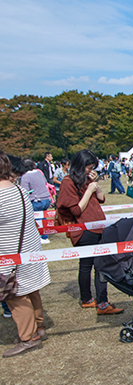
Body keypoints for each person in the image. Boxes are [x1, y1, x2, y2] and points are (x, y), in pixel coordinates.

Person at [56, 150, 123, 315]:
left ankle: (94, 300)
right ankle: (98, 302)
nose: (90, 170)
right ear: (79, 165)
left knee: (98, 265)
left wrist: (96, 185)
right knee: (90, 266)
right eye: (88, 167)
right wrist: (88, 190)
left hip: (97, 226)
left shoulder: (86, 180)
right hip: (84, 229)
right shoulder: (68, 182)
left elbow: (101, 198)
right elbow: (76, 210)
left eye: (92, 167)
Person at [0, 151, 51, 357]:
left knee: (14, 295)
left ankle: (28, 337)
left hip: (10, 254)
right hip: (28, 251)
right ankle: (38, 327)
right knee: (31, 291)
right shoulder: (19, 190)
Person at [20, 159, 52, 244]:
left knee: (37, 219)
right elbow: (45, 182)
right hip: (46, 198)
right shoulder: (39, 173)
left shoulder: (25, 176)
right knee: (43, 218)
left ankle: (41, 237)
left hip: (36, 200)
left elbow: (25, 190)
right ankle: (45, 235)